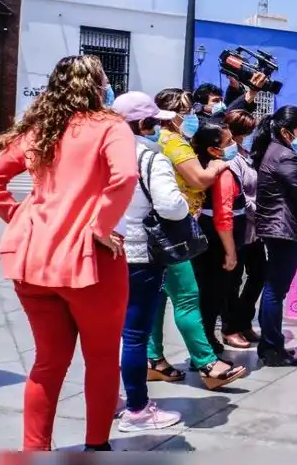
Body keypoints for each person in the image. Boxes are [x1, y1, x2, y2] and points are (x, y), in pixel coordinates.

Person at [0, 55, 137, 452]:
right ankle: (95, 447)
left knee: (47, 362)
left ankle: (34, 450)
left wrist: (19, 216)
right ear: (96, 86)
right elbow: (125, 176)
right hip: (90, 260)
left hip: (32, 260)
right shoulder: (110, 126)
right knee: (103, 359)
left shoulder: (40, 128)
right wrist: (100, 225)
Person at [147, 88, 244, 384]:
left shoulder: (152, 140)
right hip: (174, 228)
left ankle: (154, 358)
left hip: (155, 227)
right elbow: (198, 179)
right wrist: (217, 165)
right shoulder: (174, 142)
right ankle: (206, 363)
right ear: (174, 114)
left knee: (158, 297)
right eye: (187, 112)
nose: (190, 117)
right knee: (188, 297)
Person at [112, 91, 185, 432]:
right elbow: (171, 206)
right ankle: (138, 409)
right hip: (140, 255)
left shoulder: (102, 154)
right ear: (142, 124)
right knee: (135, 333)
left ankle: (108, 396)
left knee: (106, 334)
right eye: (154, 122)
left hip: (104, 250)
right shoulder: (151, 157)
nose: (157, 128)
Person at [252, 105, 297, 367]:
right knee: (276, 290)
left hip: (277, 228)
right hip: (284, 229)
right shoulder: (284, 155)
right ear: (285, 131)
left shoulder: (275, 151)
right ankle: (272, 347)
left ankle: (272, 344)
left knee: (274, 288)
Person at [190, 123, 248, 359]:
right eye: (228, 142)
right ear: (214, 150)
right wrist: (230, 252)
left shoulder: (203, 167)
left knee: (208, 293)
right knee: (212, 295)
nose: (234, 145)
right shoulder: (222, 173)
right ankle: (205, 347)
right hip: (217, 241)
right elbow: (223, 216)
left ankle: (206, 341)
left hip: (208, 238)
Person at [220, 110, 266, 348]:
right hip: (239, 228)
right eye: (247, 132)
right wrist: (259, 212)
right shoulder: (230, 160)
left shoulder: (246, 155)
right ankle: (229, 327)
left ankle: (244, 320)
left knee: (259, 274)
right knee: (233, 281)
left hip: (254, 231)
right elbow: (238, 196)